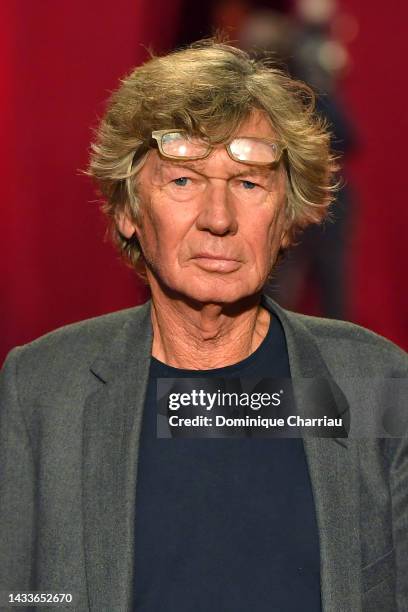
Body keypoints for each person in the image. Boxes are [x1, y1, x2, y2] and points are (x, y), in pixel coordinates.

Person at [0, 41, 406, 612]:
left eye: (248, 183)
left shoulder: (375, 384)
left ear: (288, 219)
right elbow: (23, 595)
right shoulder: (42, 387)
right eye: (184, 181)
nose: (218, 218)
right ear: (128, 210)